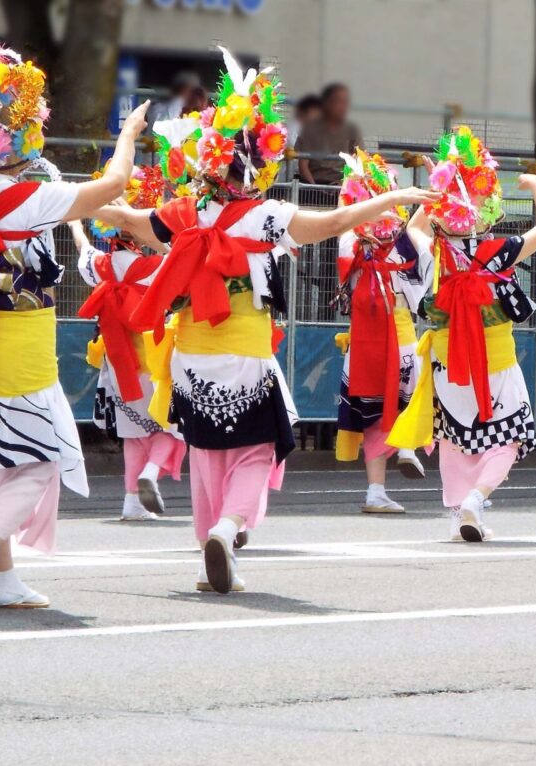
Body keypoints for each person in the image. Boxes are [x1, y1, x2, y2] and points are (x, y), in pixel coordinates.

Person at [96, 47, 439, 595]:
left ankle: (214, 536)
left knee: (208, 453)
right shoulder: (266, 215)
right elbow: (335, 222)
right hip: (247, 356)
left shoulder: (185, 211)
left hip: (189, 362)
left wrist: (89, 176)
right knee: (261, 448)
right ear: (258, 163)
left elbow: (120, 216)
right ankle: (229, 530)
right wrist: (391, 197)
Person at [0, 37, 151, 611]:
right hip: (22, 343)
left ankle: (3, 577)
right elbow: (112, 187)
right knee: (42, 456)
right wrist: (126, 138)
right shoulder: (28, 198)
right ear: (17, 137)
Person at [388, 126, 536, 542]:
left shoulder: (431, 256)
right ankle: (475, 502)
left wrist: (437, 191)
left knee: (455, 437)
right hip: (495, 357)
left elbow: (413, 228)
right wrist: (535, 185)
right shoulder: (499, 251)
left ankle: (456, 511)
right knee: (510, 435)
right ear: (483, 210)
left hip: (446, 361)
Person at [68, 164, 185, 522]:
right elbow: (179, 254)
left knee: (134, 435)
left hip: (119, 368)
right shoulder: (154, 267)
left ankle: (131, 502)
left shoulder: (101, 267)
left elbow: (83, 251)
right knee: (174, 428)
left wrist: (75, 222)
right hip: (156, 360)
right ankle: (152, 472)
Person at [332, 149, 429, 512]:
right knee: (413, 398)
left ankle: (375, 491)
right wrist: (434, 191)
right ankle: (406, 445)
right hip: (402, 339)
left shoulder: (350, 244)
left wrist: (352, 188)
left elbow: (343, 219)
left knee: (371, 417)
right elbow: (421, 237)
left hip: (361, 345)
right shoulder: (404, 244)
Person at [296, 83, 361, 185]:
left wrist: (342, 184)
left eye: (344, 102)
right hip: (311, 185)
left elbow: (359, 161)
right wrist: (314, 189)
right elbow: (303, 165)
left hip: (340, 186)